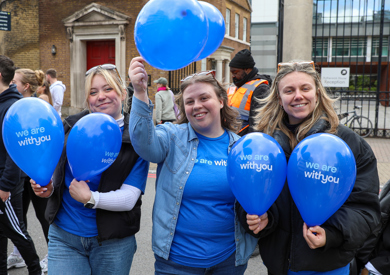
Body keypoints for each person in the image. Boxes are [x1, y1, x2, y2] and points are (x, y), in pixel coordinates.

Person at [238, 61, 381, 275]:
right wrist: (260, 219)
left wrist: (331, 234)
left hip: (328, 265)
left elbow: (366, 210)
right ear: (278, 97)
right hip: (278, 266)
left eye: (305, 88)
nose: (298, 96)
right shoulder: (264, 144)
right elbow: (246, 192)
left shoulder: (347, 144)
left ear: (317, 93)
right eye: (289, 90)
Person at [129, 56, 257, 275]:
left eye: (204, 98)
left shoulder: (243, 148)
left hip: (229, 261)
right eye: (189, 102)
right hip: (176, 262)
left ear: (221, 101)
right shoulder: (171, 137)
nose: (197, 106)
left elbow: (257, 198)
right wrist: (140, 93)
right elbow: (144, 144)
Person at [31, 64, 149, 275]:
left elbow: (130, 197)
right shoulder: (70, 126)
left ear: (123, 94)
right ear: (88, 100)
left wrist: (91, 198)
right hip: (64, 236)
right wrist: (46, 187)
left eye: (108, 89)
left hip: (113, 243)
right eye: (93, 92)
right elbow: (56, 176)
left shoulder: (136, 139)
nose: (100, 96)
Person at [0, 55, 43, 275]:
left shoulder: (11, 107)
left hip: (4, 186)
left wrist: (5, 187)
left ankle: (35, 270)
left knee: (17, 232)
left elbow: (15, 152)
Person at [9, 68, 50, 272]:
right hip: (17, 172)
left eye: (14, 81)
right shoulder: (12, 108)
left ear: (25, 86)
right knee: (18, 218)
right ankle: (18, 254)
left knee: (44, 216)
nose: (10, 83)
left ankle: (53, 254)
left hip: (37, 171)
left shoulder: (39, 107)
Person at [227, 49, 272, 135]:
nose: (233, 76)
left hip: (244, 141)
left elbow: (258, 125)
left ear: (247, 69)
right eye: (231, 73)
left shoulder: (261, 89)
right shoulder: (233, 87)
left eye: (235, 72)